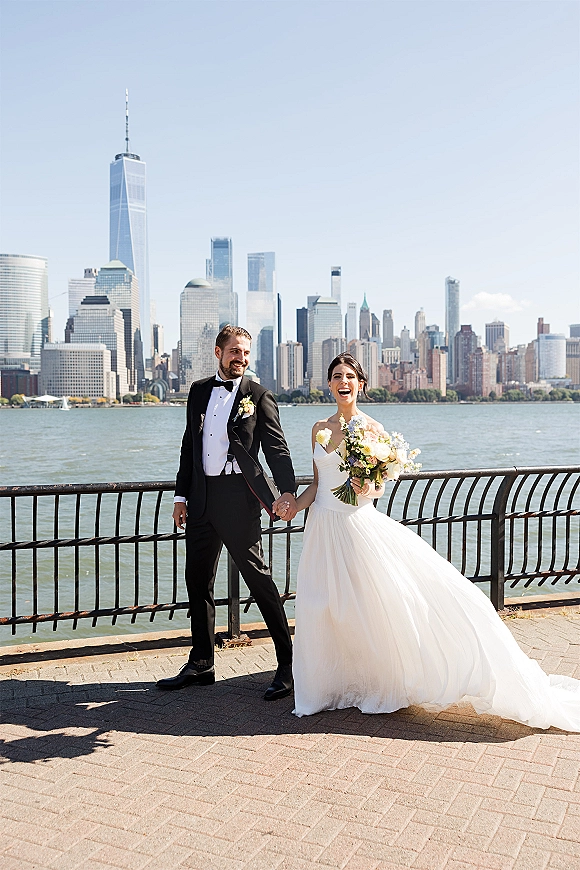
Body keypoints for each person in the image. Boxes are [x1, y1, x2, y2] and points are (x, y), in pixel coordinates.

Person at [282, 353, 580, 730]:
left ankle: (379, 681)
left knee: (370, 606)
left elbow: (377, 486)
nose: (343, 382)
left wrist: (367, 486)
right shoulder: (318, 428)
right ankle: (327, 687)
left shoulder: (372, 429)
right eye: (336, 376)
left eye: (350, 377)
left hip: (356, 526)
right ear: (329, 384)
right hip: (322, 528)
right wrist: (294, 503)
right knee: (322, 606)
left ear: (360, 384)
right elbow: (317, 483)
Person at [157, 325, 298, 700]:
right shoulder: (199, 391)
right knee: (197, 581)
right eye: (235, 351)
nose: (241, 358)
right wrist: (180, 496)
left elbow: (277, 449)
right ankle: (202, 663)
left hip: (239, 498)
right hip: (201, 498)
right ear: (218, 352)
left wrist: (287, 492)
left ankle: (288, 665)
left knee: (258, 579)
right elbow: (190, 446)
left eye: (246, 353)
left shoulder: (258, 395)